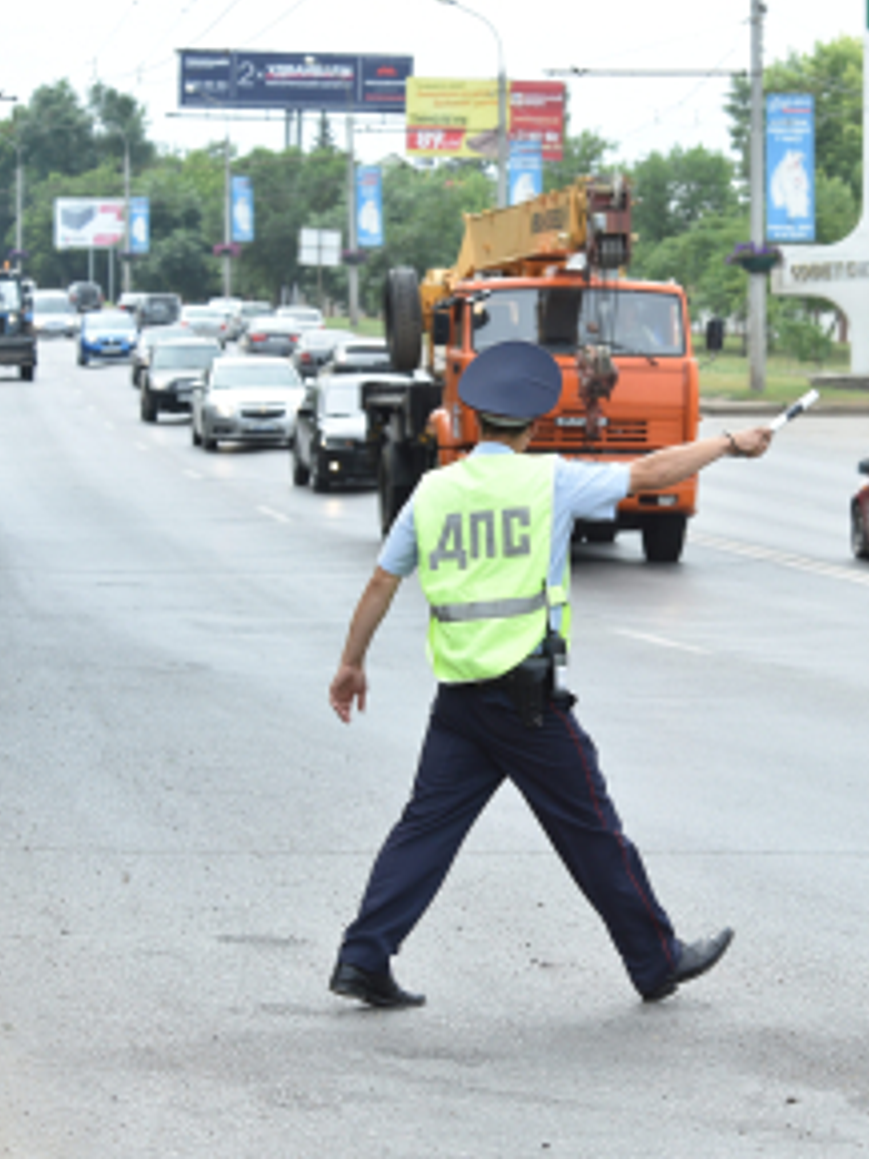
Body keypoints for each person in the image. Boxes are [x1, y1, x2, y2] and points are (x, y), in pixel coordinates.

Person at [327, 340, 774, 1009]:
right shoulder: (549, 480)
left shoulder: (433, 489)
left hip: (459, 699)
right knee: (592, 827)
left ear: (474, 420)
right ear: (532, 426)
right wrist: (730, 444)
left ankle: (363, 957)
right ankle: (656, 960)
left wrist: (350, 663)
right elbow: (651, 473)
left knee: (423, 828)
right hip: (525, 700)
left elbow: (381, 581)